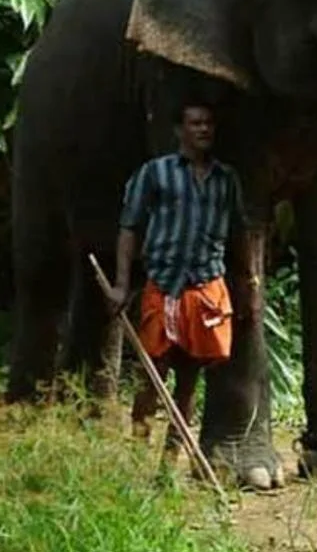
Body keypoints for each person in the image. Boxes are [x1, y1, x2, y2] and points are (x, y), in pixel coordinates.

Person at [103, 104, 243, 452]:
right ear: (179, 130)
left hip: (204, 289)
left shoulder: (226, 179)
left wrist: (250, 285)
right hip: (163, 286)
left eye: (209, 123)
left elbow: (242, 235)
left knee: (188, 382)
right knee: (151, 378)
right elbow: (128, 228)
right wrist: (121, 284)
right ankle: (138, 454)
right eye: (195, 123)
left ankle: (169, 464)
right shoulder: (155, 173)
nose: (203, 130)